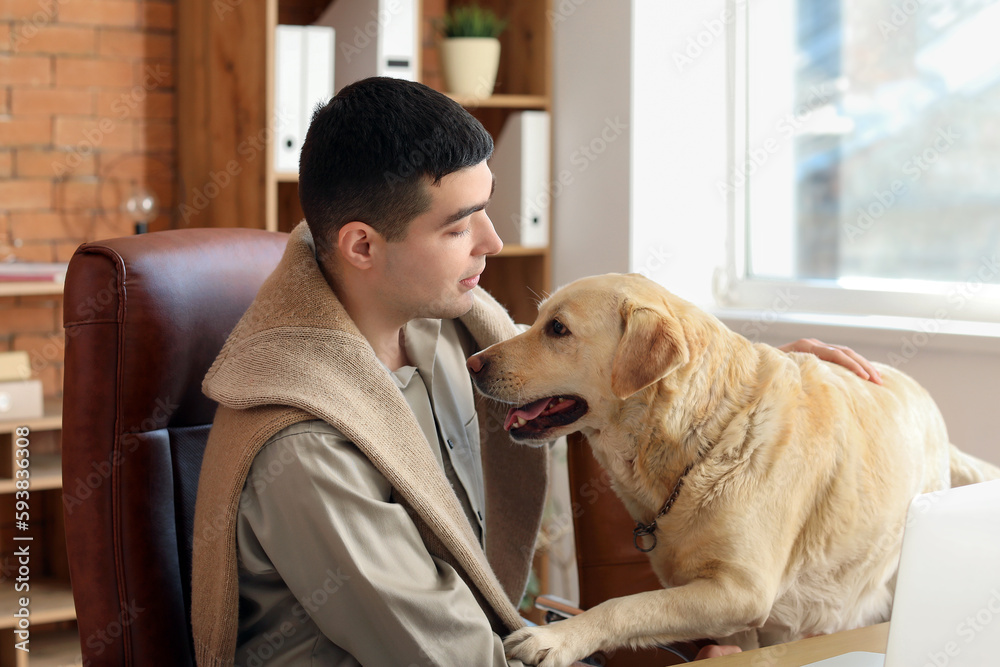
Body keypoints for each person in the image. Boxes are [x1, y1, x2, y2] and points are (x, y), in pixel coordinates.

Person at [190, 76, 882, 667]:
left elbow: (598, 375)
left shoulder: (432, 335)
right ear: (363, 245)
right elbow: (453, 657)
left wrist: (766, 386)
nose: (493, 242)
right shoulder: (307, 451)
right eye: (460, 227)